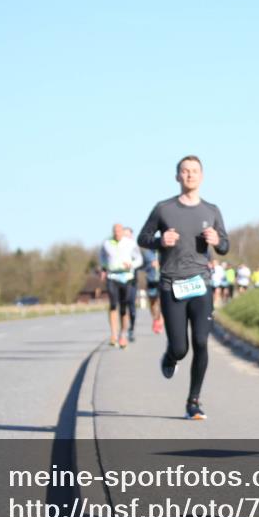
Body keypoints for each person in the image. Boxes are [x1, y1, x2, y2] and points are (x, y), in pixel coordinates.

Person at [138, 155, 229, 420]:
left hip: (201, 284)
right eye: (185, 171)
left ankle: (194, 401)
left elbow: (225, 246)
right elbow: (144, 238)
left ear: (202, 176)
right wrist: (160, 240)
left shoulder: (211, 211)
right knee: (181, 348)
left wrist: (216, 240)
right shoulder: (163, 209)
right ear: (177, 176)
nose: (190, 175)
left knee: (201, 341)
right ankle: (170, 356)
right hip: (171, 285)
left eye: (194, 171)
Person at [99, 223, 143, 349]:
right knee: (113, 305)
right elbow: (101, 256)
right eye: (115, 231)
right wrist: (103, 267)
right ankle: (113, 334)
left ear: (123, 232)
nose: (117, 233)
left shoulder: (130, 243)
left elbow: (139, 259)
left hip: (126, 277)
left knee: (124, 308)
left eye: (119, 231)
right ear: (113, 231)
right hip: (112, 276)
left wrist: (132, 265)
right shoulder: (106, 243)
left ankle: (122, 335)